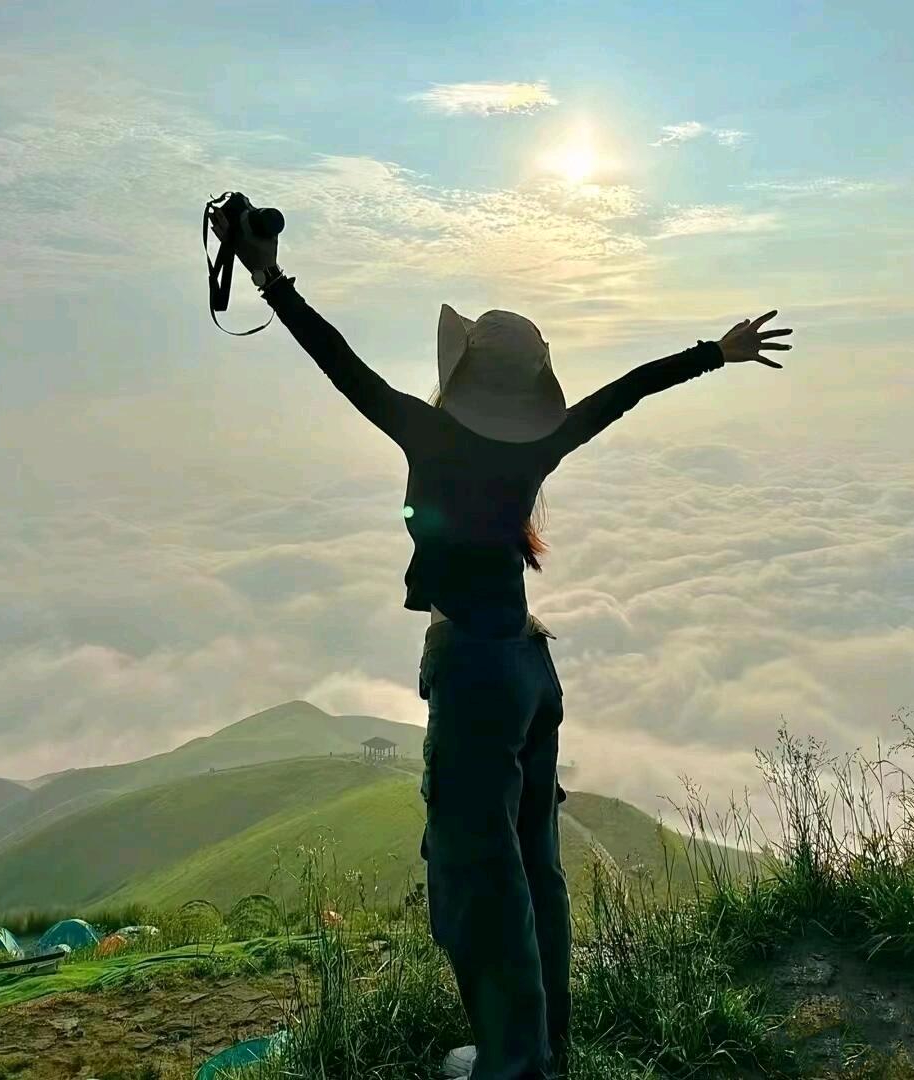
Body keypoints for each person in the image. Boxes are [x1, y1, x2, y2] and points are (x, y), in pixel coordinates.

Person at [211, 204, 793, 1080]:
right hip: (529, 668)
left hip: (478, 678)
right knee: (534, 871)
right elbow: (625, 390)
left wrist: (267, 273)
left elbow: (338, 361)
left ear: (464, 374)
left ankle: (514, 1067)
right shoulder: (542, 445)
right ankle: (542, 1051)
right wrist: (718, 351)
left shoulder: (430, 431)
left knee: (484, 886)